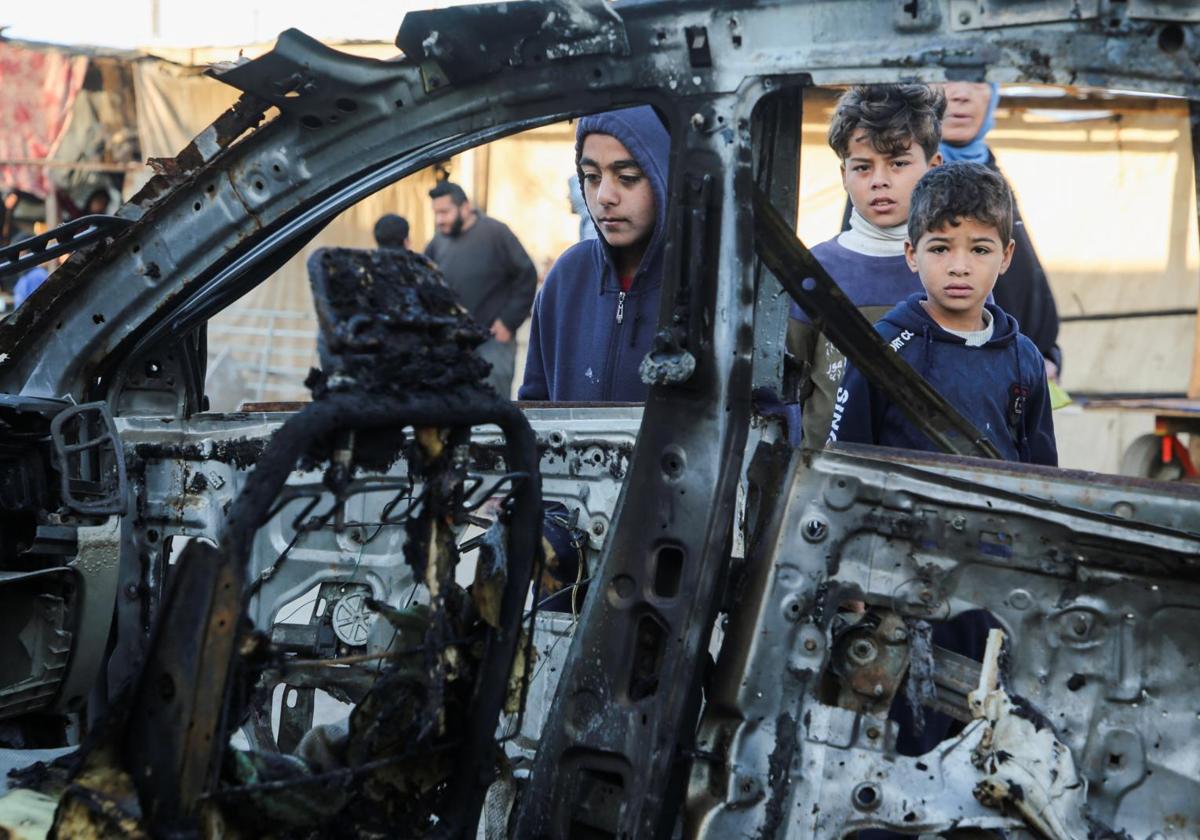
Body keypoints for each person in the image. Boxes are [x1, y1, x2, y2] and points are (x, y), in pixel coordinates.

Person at [829, 161, 1057, 466]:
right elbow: (845, 462)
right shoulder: (883, 348)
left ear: (1005, 256)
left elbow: (1041, 472)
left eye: (979, 250)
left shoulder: (1023, 357)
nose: (959, 267)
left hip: (995, 514)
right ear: (912, 254)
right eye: (939, 249)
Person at [787, 84, 944, 447]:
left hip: (931, 483)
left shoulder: (956, 270)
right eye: (862, 166)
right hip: (828, 485)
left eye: (898, 163)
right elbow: (781, 396)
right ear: (843, 174)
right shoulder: (813, 271)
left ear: (933, 167)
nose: (879, 181)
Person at [518, 105, 670, 402]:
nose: (604, 197)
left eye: (627, 177)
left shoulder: (718, 283)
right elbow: (534, 406)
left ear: (666, 175)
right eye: (591, 176)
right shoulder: (567, 276)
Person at [935, 82, 1062, 376]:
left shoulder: (991, 173)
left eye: (978, 81)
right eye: (944, 79)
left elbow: (1022, 283)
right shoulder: (893, 187)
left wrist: (1046, 356)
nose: (960, 94)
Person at [423, 182, 537, 397]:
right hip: (452, 345)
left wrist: (508, 322)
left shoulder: (495, 232)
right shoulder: (437, 242)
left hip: (492, 342)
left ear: (465, 207)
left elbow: (526, 274)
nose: (439, 220)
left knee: (492, 411)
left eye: (445, 212)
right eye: (436, 213)